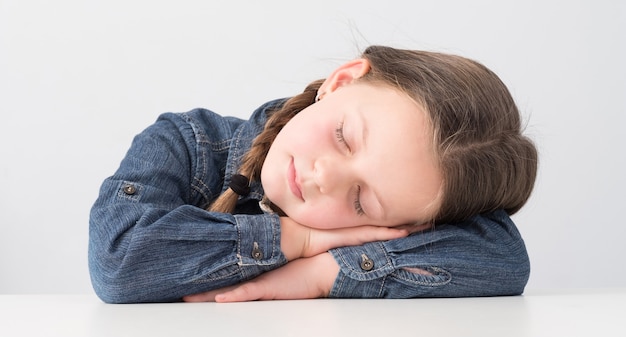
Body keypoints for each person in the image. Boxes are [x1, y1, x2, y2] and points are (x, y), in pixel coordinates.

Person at [88, 45, 537, 303]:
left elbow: (504, 258)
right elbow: (119, 261)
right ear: (340, 82)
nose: (325, 177)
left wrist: (323, 272)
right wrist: (294, 240)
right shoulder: (186, 143)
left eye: (361, 201)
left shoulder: (411, 215)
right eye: (344, 137)